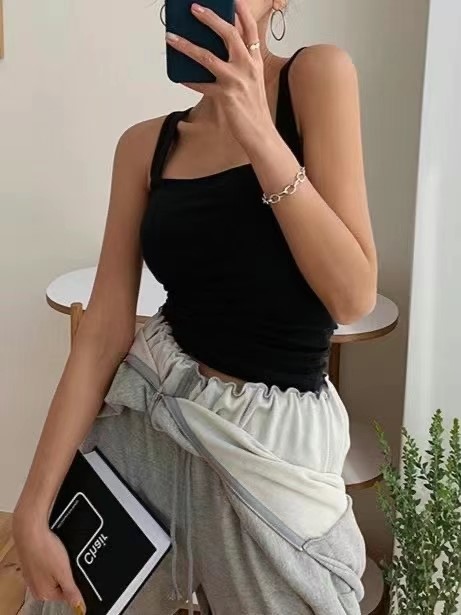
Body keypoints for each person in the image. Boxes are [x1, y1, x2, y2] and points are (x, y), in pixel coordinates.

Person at [13, 0, 377, 613]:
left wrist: (259, 132)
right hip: (152, 407)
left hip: (270, 451)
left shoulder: (317, 77)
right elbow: (102, 333)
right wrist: (31, 507)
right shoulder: (144, 146)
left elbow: (351, 296)